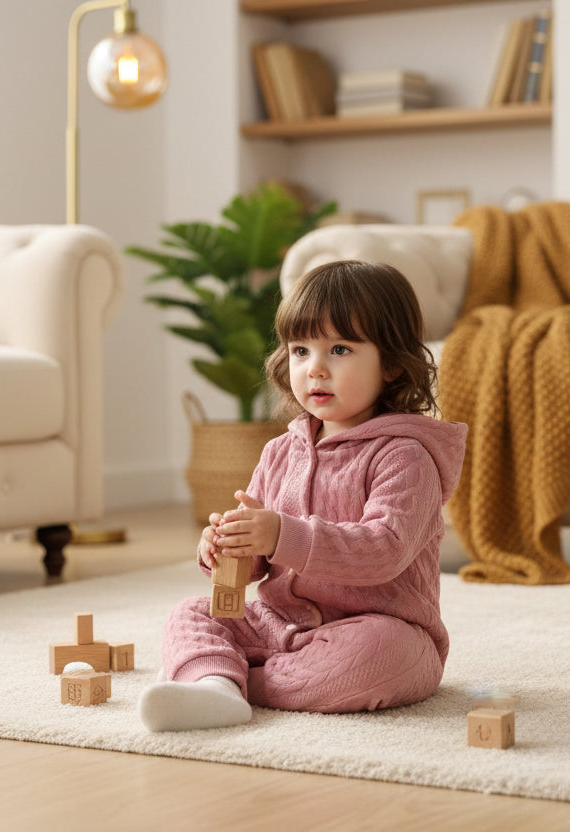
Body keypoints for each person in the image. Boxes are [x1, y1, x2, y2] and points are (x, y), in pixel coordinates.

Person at [138, 260, 468, 732]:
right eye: (299, 350)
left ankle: (224, 681)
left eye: (339, 349)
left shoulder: (406, 457)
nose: (315, 368)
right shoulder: (279, 452)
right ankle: (217, 687)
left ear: (392, 363)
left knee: (382, 657)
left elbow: (383, 550)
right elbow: (254, 565)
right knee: (190, 613)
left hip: (379, 628)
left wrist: (281, 534)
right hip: (278, 623)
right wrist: (225, 547)